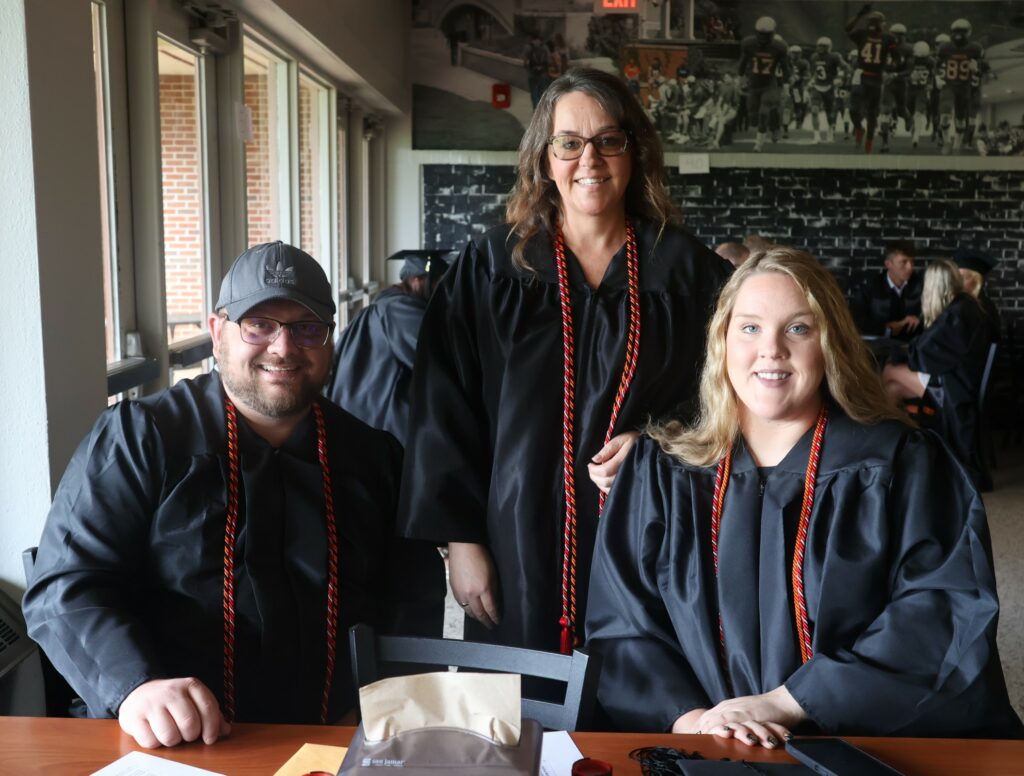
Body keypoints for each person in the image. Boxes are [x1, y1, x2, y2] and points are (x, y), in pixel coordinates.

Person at [586, 247, 1023, 742]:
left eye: (798, 328)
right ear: (722, 342)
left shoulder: (900, 465)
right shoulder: (664, 474)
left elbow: (942, 611)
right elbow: (623, 626)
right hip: (700, 744)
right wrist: (697, 723)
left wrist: (788, 703)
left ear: (829, 342)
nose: (771, 349)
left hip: (858, 747)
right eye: (749, 327)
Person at [398, 67, 729, 656]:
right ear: (544, 159)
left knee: (640, 689)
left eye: (608, 141)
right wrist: (461, 542)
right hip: (515, 536)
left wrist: (663, 440)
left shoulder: (687, 273)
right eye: (569, 143)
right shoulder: (493, 268)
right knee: (524, 713)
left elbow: (730, 395)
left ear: (634, 151)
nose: (590, 160)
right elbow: (443, 407)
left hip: (646, 529)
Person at [23, 242, 403, 747]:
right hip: (176, 739)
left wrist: (387, 698)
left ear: (330, 339)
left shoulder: (372, 455)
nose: (283, 348)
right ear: (217, 331)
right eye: (260, 324)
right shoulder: (144, 437)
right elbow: (67, 583)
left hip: (339, 734)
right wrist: (136, 688)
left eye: (307, 328)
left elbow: (409, 596)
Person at [882, 258, 991, 489]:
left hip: (954, 385)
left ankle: (885, 446)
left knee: (888, 370)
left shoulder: (959, 312)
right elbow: (927, 348)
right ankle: (900, 449)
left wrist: (905, 352)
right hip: (953, 378)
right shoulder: (962, 305)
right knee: (891, 389)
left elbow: (924, 355)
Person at [327, 250, 449, 446]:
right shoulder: (400, 310)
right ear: (418, 280)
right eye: (437, 284)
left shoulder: (385, 304)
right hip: (384, 422)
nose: (442, 291)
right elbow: (439, 359)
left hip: (361, 416)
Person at [846, 6, 897, 153]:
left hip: (876, 77)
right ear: (879, 23)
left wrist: (889, 69)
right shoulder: (862, 34)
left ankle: (868, 141)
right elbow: (847, 29)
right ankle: (858, 129)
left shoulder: (888, 38)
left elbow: (896, 57)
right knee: (854, 110)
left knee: (872, 112)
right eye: (882, 23)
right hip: (862, 75)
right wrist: (859, 14)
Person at [850, 240, 922, 339]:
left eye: (912, 262)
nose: (910, 267)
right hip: (877, 347)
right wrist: (887, 328)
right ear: (888, 264)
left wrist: (919, 319)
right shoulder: (871, 287)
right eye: (904, 262)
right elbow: (855, 321)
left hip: (911, 347)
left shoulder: (920, 285)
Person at [738, 17, 790, 152]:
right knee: (753, 119)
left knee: (763, 113)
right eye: (760, 33)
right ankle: (773, 125)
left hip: (769, 85)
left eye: (765, 34)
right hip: (754, 85)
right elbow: (742, 63)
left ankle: (758, 144)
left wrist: (786, 85)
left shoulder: (779, 47)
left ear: (772, 34)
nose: (762, 37)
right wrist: (741, 77)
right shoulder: (748, 44)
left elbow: (786, 69)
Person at [952, 246, 1001, 343]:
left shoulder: (984, 306)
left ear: (976, 281)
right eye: (956, 277)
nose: (957, 282)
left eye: (963, 277)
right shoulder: (959, 301)